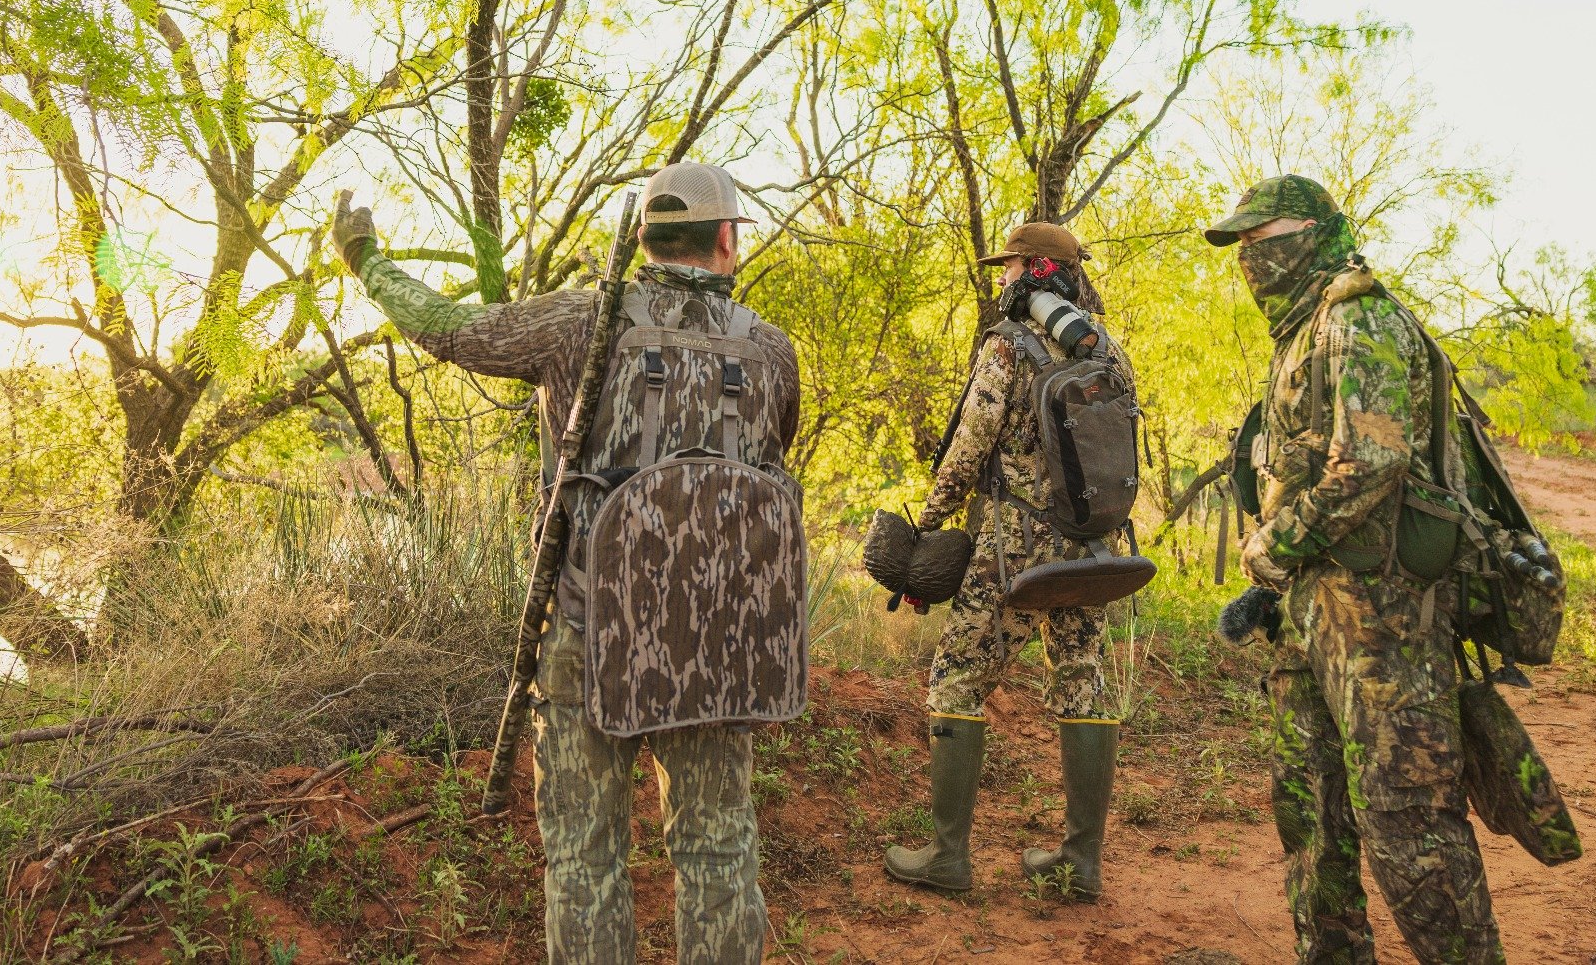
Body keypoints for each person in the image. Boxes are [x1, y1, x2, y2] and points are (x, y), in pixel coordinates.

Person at [335, 163, 800, 965]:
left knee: (585, 861)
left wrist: (368, 261)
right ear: (727, 241)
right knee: (719, 853)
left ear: (646, 240)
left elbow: (449, 328)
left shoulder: (577, 323)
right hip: (721, 643)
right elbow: (767, 464)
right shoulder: (771, 352)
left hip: (590, 627)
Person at [1205, 174, 1503, 964]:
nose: (1249, 258)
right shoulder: (1300, 331)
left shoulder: (1358, 317)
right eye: (1240, 244)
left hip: (1383, 618)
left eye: (1260, 241)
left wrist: (1276, 544)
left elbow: (1370, 463)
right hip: (1312, 610)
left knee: (1408, 822)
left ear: (1310, 232)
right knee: (1307, 808)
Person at [883, 221, 1126, 900]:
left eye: (1009, 266)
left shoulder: (1007, 346)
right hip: (1092, 546)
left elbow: (966, 452)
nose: (1000, 278)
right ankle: (1081, 865)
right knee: (1082, 678)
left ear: (1038, 269)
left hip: (1013, 548)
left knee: (955, 678)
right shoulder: (1110, 349)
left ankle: (948, 858)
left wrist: (922, 532)